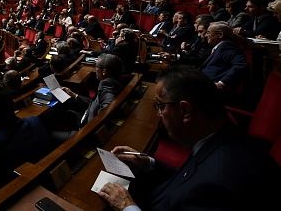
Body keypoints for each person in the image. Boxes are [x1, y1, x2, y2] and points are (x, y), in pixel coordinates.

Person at [98, 66, 281, 211]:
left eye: (161, 106)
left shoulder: (219, 184)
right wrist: (149, 162)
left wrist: (127, 207)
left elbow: (202, 185)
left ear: (185, 111)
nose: (159, 114)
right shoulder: (223, 137)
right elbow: (192, 178)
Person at [50, 54, 125, 143]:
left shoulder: (106, 85)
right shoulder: (117, 81)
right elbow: (95, 103)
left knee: (49, 134)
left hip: (87, 133)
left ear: (104, 71)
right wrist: (74, 95)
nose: (95, 69)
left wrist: (88, 129)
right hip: (86, 118)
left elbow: (107, 111)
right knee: (69, 113)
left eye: (96, 66)